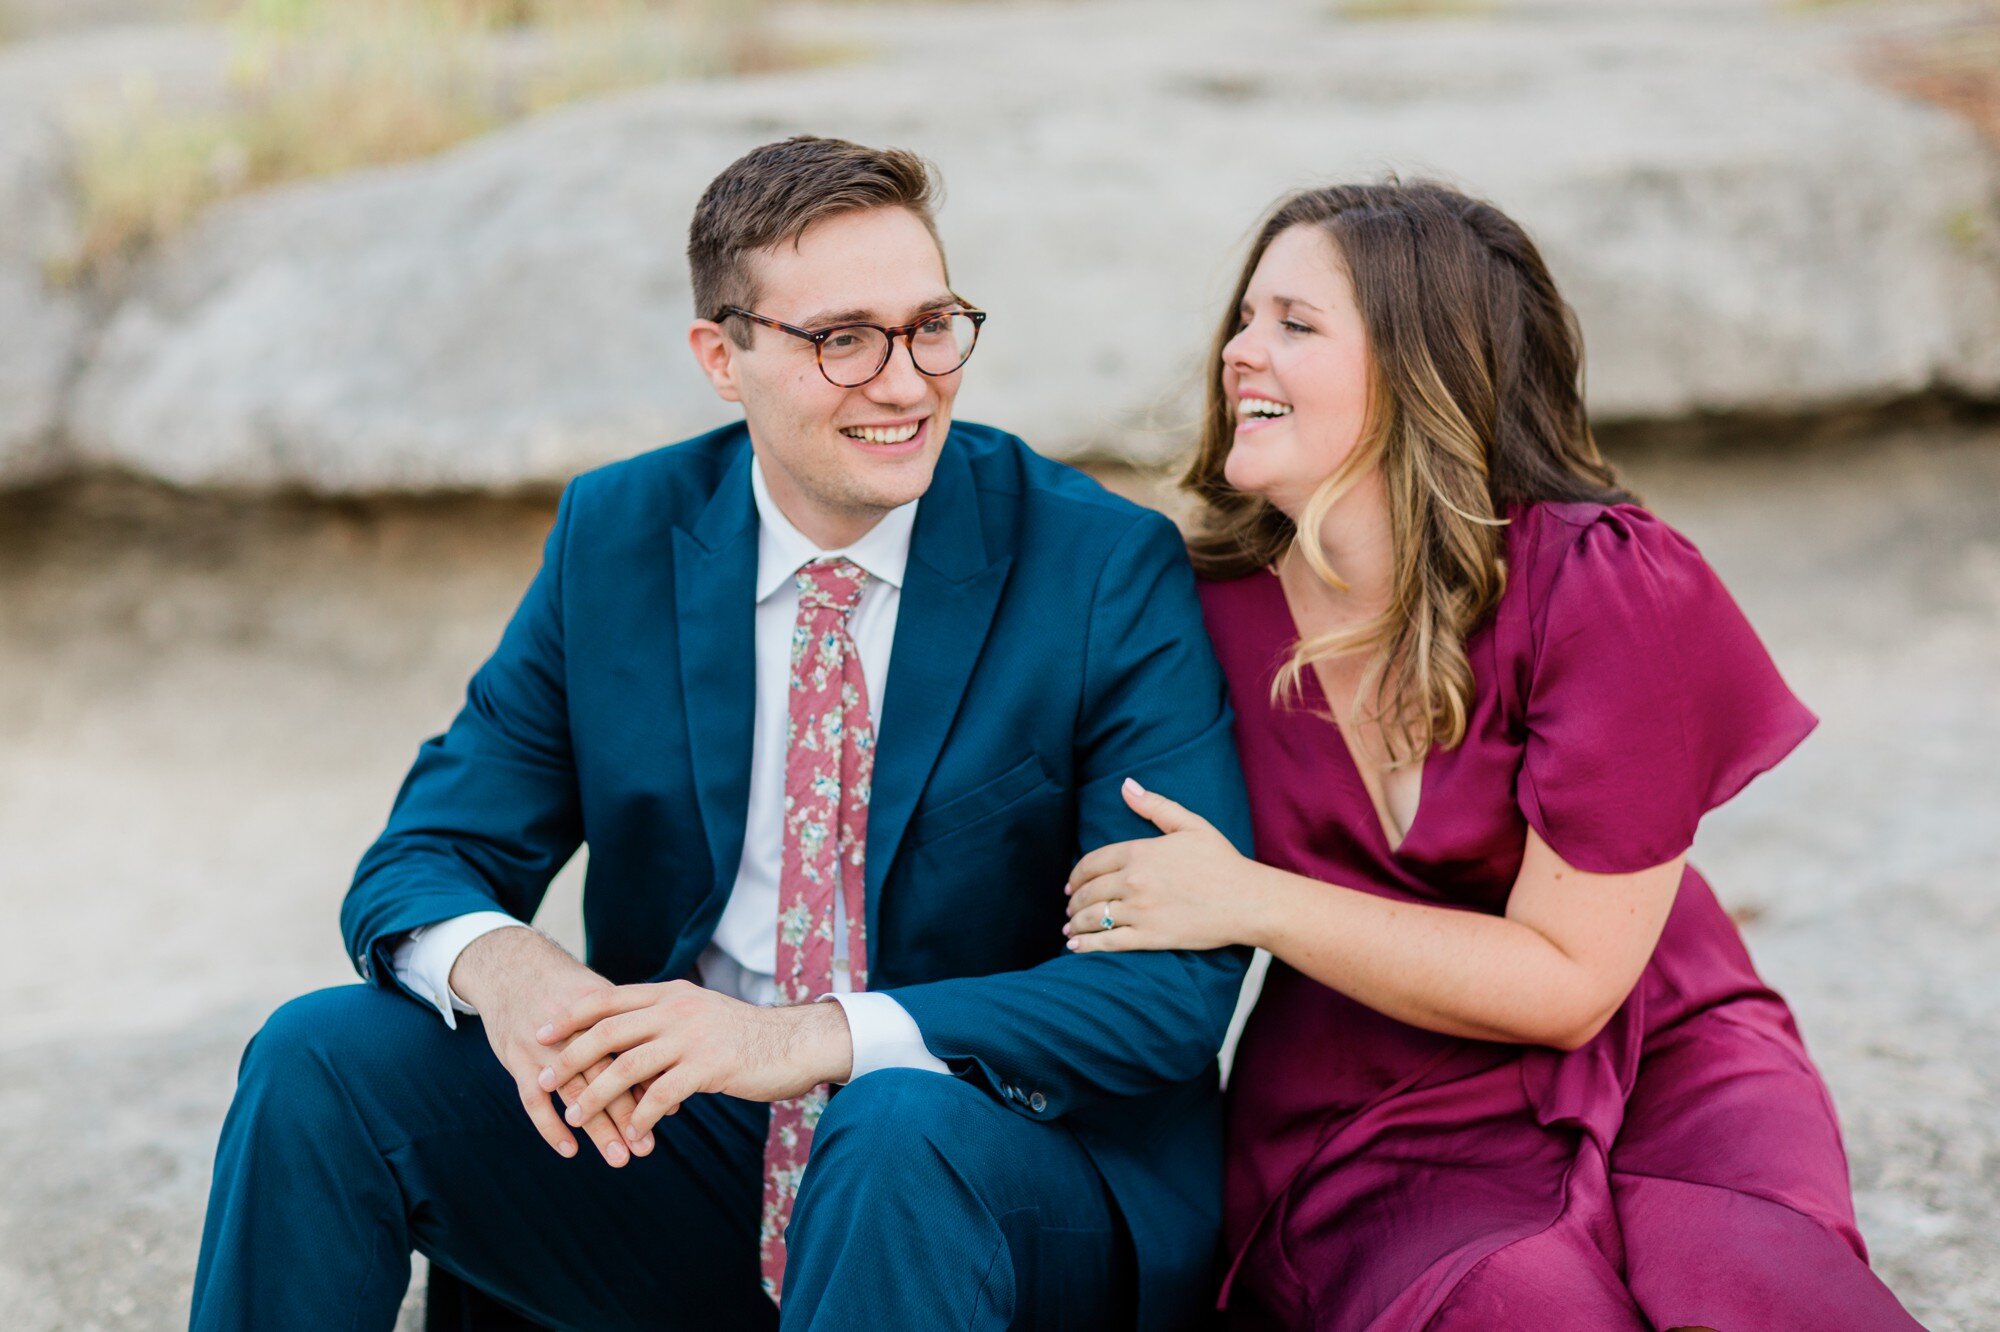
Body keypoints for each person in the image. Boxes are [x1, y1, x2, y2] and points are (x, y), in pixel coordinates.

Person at [189, 135, 1253, 1332]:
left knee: (892, 1122)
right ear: (721, 356)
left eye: (931, 325)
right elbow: (423, 854)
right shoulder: (618, 535)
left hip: (984, 1177)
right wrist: (509, 970)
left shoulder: (1099, 566)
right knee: (321, 1057)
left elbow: (1169, 991)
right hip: (692, 1160)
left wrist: (810, 1040)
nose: (906, 384)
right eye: (841, 340)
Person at [1061, 180, 1922, 1330]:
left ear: (1425, 367)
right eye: (1243, 317)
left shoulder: (1605, 583)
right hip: (1373, 1104)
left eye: (1294, 325)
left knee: (1749, 1288)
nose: (1236, 352)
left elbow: (1570, 984)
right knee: (1514, 1304)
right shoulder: (1187, 614)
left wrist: (1251, 902)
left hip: (1658, 1043)